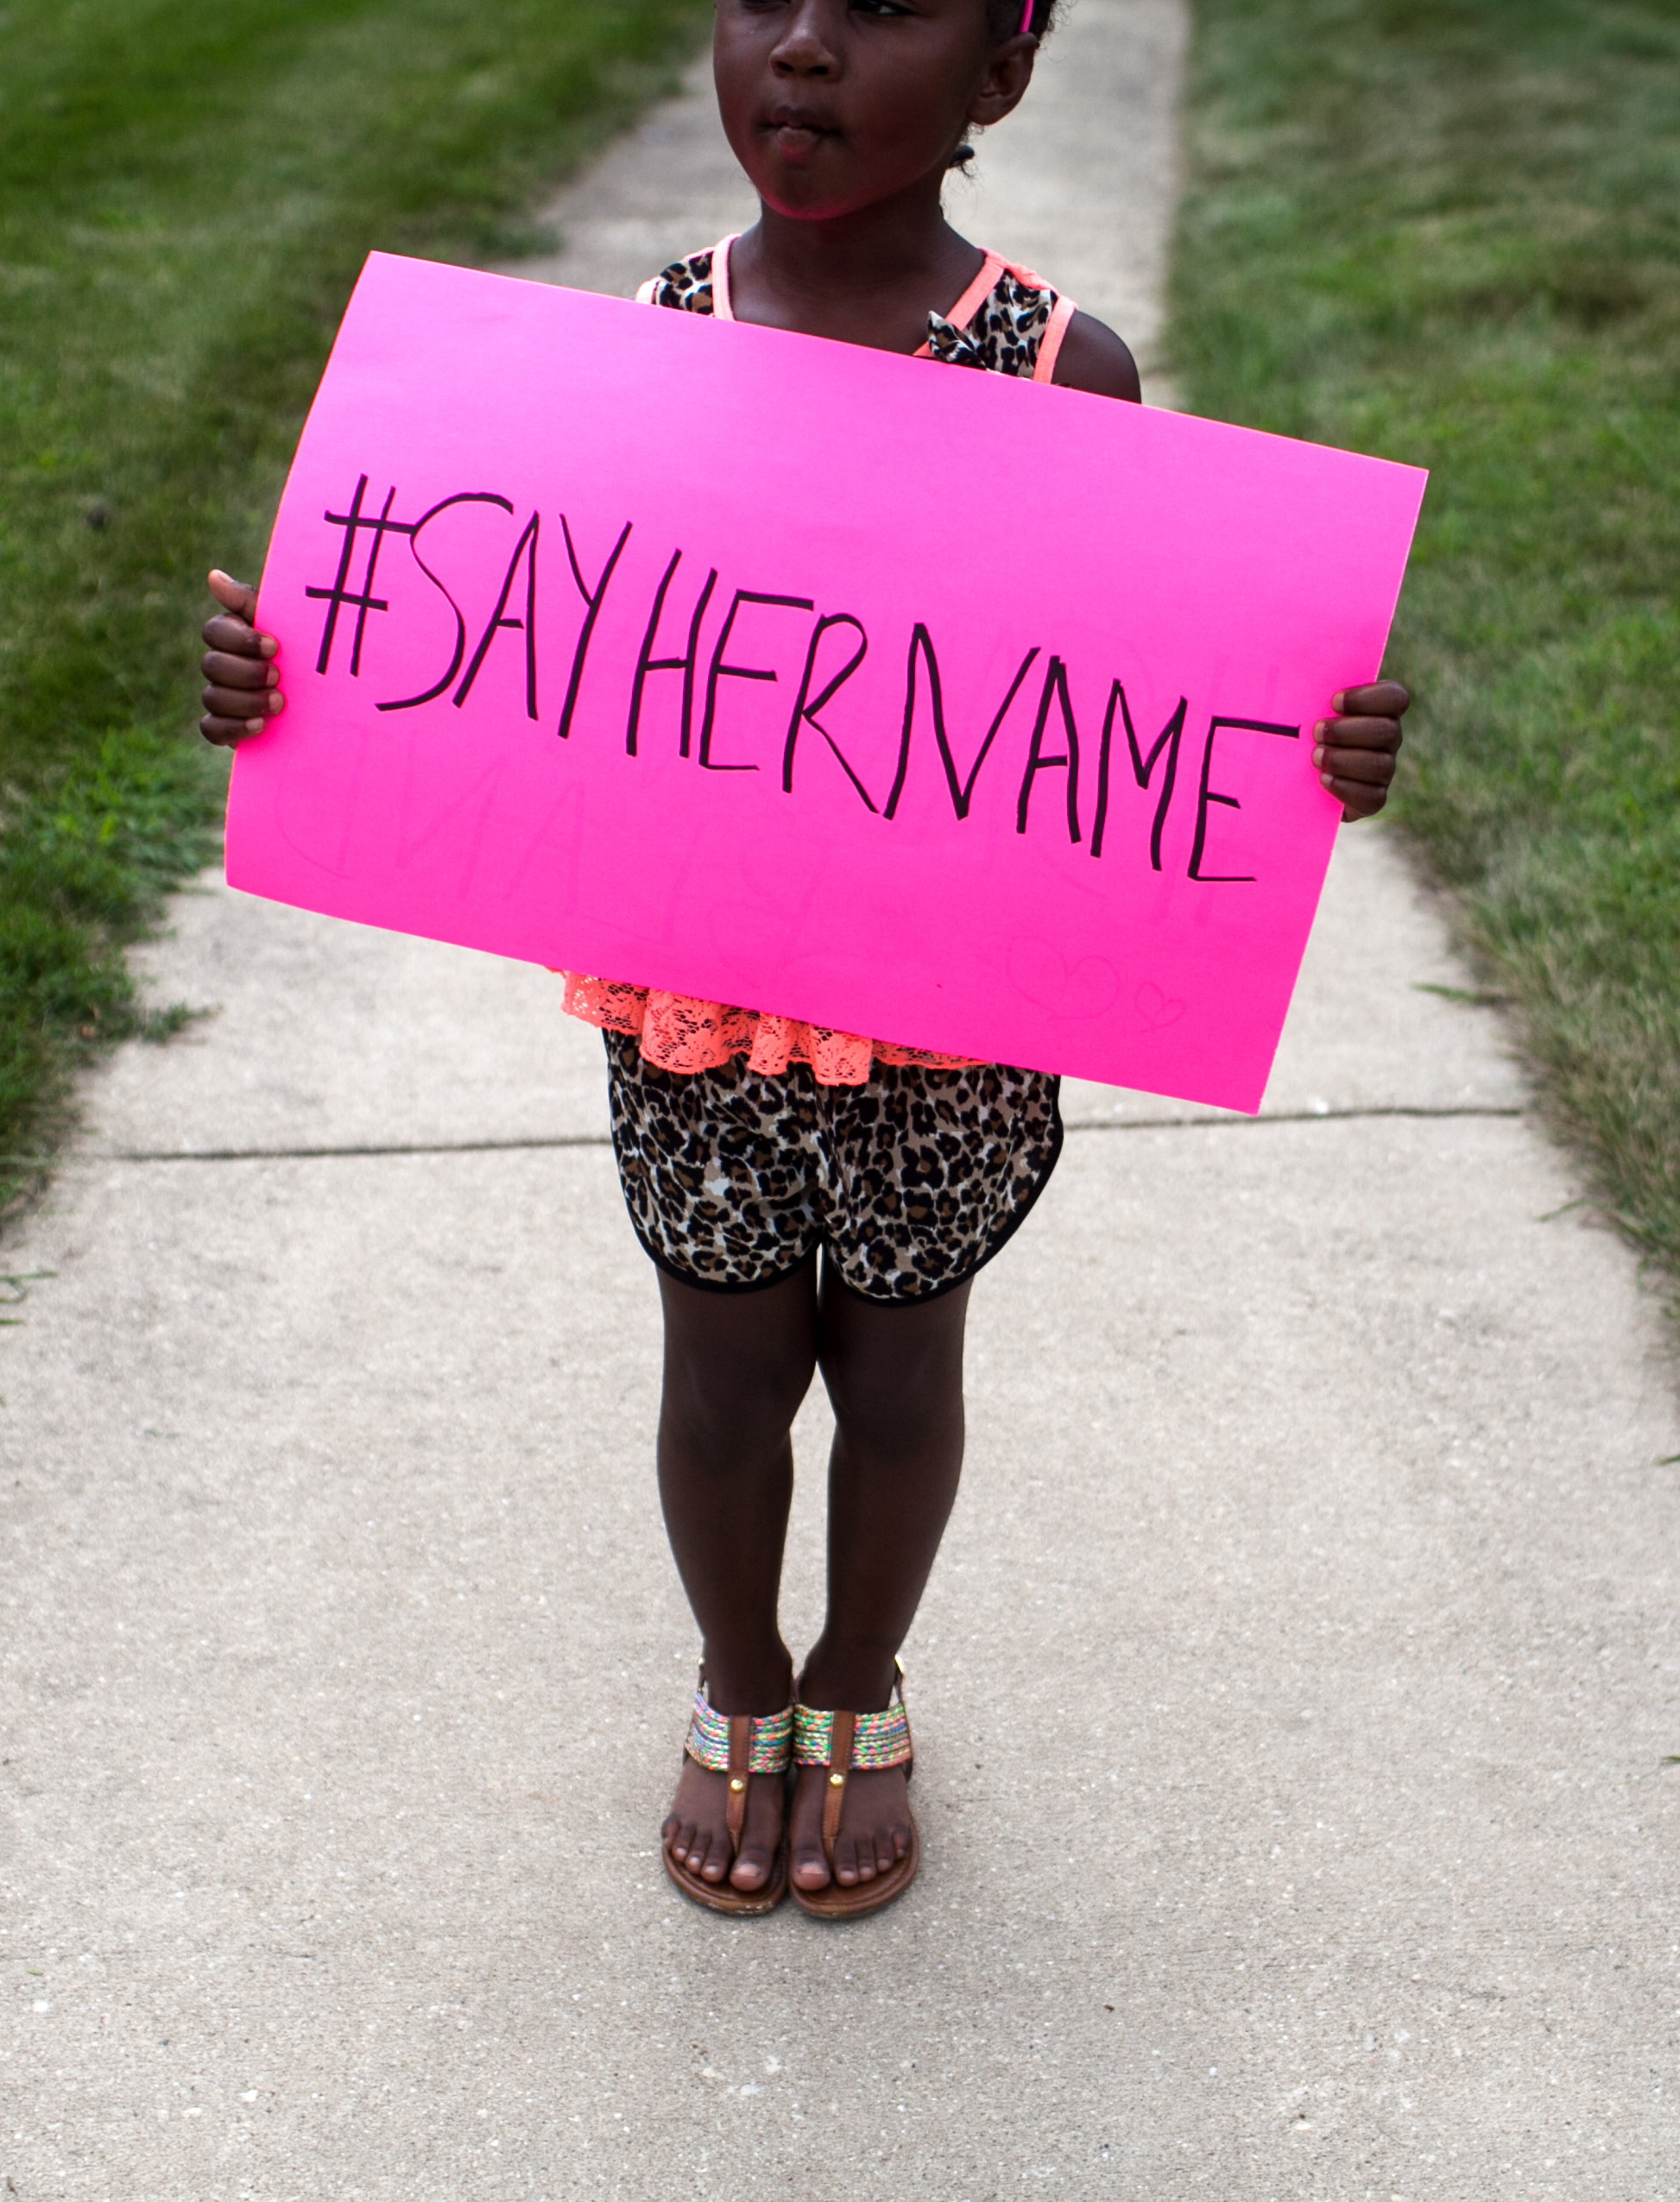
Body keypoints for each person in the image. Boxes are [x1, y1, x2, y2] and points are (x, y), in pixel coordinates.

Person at [193, 0, 1411, 1919]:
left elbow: (1141, 688)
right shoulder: (644, 346)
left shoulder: (1059, 367)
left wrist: (1305, 753)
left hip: (943, 1019)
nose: (807, 50)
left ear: (998, 74)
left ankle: (857, 1678)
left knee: (901, 1369)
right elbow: (514, 626)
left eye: (883, 5)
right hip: (697, 1005)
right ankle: (739, 1678)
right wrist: (299, 687)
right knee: (721, 1369)